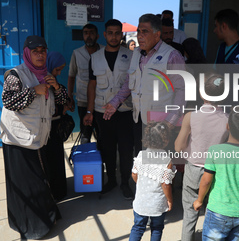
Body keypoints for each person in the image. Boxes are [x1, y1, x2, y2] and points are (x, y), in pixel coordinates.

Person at [0, 35, 68, 239]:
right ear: (27, 53)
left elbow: (64, 99)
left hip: (38, 137)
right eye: (36, 51)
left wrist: (56, 86)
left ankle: (43, 220)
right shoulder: (16, 75)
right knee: (26, 184)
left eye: (43, 51)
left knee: (40, 180)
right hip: (17, 140)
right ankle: (30, 225)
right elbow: (8, 102)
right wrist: (33, 91)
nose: (40, 55)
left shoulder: (46, 74)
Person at [103, 13, 186, 156]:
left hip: (161, 124)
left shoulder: (172, 56)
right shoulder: (136, 53)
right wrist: (115, 102)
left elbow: (182, 90)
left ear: (157, 34)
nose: (139, 36)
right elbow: (130, 81)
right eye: (138, 32)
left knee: (160, 167)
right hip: (139, 120)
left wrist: (169, 123)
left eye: (145, 32)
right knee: (141, 161)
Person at [83, 19, 134, 199]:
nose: (114, 36)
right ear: (104, 35)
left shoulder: (131, 56)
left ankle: (125, 182)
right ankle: (111, 179)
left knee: (126, 149)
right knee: (107, 148)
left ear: (122, 35)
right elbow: (92, 85)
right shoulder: (94, 58)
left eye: (117, 33)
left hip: (125, 111)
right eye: (110, 33)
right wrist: (89, 111)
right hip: (102, 111)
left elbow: (134, 84)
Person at [193, 107, 239, 241]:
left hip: (218, 211)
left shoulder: (215, 150)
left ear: (227, 126)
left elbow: (206, 180)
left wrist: (199, 200)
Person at [175, 74, 229, 241]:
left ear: (202, 94)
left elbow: (179, 146)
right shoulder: (228, 119)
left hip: (193, 170)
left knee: (189, 217)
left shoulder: (191, 116)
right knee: (213, 215)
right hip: (217, 172)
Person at [129, 121, 176, 241]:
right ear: (166, 140)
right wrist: (170, 200)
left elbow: (134, 174)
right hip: (157, 204)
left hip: (141, 202)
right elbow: (166, 184)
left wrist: (141, 185)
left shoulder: (141, 155)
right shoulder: (166, 160)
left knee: (138, 228)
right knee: (156, 228)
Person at [68, 24, 103, 144]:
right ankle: (86, 160)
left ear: (97, 36)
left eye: (92, 33)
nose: (89, 36)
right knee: (85, 134)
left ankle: (102, 161)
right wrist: (70, 96)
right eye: (86, 33)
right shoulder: (76, 53)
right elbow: (71, 75)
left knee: (102, 134)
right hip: (83, 100)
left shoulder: (104, 51)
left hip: (101, 100)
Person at [43, 51, 68, 201]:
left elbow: (64, 99)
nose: (58, 73)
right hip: (43, 127)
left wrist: (57, 87)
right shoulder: (39, 81)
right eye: (57, 69)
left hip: (56, 128)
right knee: (47, 161)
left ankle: (59, 191)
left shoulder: (55, 83)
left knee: (57, 160)